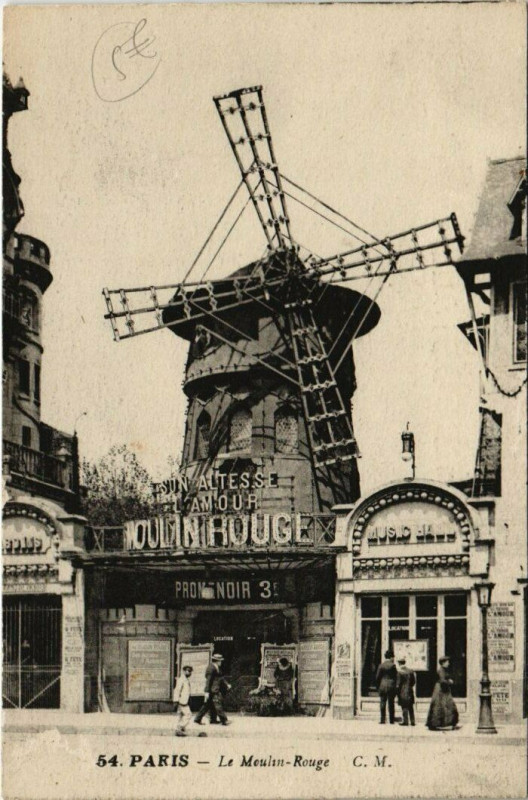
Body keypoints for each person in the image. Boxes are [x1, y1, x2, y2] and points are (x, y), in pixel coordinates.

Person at [195, 653, 231, 726]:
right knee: (218, 704)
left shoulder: (217, 667)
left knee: (208, 705)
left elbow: (221, 678)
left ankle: (201, 719)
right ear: (217, 661)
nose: (221, 662)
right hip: (212, 690)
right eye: (220, 661)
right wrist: (207, 692)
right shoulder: (211, 668)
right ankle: (224, 720)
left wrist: (227, 684)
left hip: (214, 689)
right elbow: (208, 680)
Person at [426, 656, 459, 731]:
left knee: (446, 706)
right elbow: (442, 680)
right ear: (443, 663)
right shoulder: (441, 670)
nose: (448, 663)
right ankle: (435, 723)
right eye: (447, 662)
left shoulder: (443, 670)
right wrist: (449, 681)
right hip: (441, 690)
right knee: (441, 706)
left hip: (443, 689)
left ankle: (448, 723)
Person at [376, 650, 397, 724]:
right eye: (393, 657)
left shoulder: (381, 665)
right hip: (391, 686)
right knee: (391, 703)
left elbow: (377, 677)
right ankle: (391, 720)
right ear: (391, 657)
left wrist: (378, 686)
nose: (393, 658)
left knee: (382, 702)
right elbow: (395, 677)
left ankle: (382, 720)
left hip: (382, 686)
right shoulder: (393, 665)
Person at [173, 664, 195, 736]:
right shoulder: (181, 680)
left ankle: (179, 730)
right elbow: (177, 690)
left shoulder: (185, 679)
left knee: (181, 716)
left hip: (184, 701)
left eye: (190, 671)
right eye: (188, 671)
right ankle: (180, 728)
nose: (189, 673)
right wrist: (176, 701)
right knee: (188, 715)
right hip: (182, 701)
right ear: (184, 671)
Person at [396, 657, 416, 726]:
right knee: (410, 706)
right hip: (410, 690)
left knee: (404, 706)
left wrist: (397, 692)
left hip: (402, 690)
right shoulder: (411, 671)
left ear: (399, 663)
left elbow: (398, 684)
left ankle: (405, 721)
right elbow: (413, 682)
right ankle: (413, 721)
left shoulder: (399, 672)